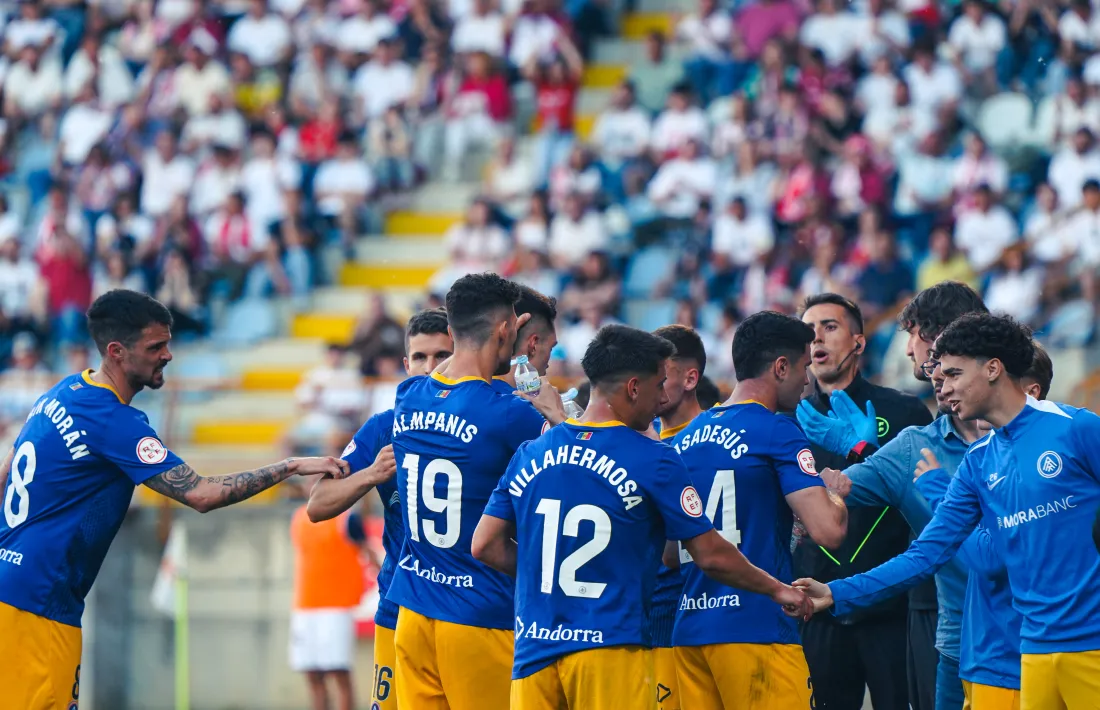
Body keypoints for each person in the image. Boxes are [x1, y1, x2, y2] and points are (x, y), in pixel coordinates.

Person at [0, 289, 350, 709]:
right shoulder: (114, 420)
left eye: (167, 343)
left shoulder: (62, 391)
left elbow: (6, 472)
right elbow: (202, 494)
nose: (167, 355)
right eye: (155, 347)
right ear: (116, 352)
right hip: (37, 602)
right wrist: (290, 466)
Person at [471, 324, 812, 710]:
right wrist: (778, 589)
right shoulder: (654, 458)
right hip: (610, 652)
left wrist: (549, 578)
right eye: (659, 385)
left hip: (532, 655)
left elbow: (484, 545)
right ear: (634, 387)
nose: (663, 397)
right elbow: (710, 555)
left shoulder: (530, 453)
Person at [796, 314, 1100, 710]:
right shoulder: (978, 462)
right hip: (1034, 653)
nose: (945, 387)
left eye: (955, 374)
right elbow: (925, 554)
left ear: (993, 368)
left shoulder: (1076, 428)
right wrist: (836, 592)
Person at [796, 281, 989, 710]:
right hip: (938, 623)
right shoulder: (915, 445)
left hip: (1015, 629)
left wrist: (937, 492)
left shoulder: (1034, 432)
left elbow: (988, 551)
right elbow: (923, 553)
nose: (909, 353)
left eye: (915, 336)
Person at [663, 311, 848, 709]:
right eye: (802, 367)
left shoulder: (681, 441)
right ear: (780, 367)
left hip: (690, 634)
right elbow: (828, 531)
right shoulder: (776, 430)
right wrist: (834, 494)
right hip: (758, 630)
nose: (806, 380)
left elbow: (670, 554)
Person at [387, 273, 551, 710]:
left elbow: (447, 376)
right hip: (479, 615)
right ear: (505, 329)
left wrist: (482, 337)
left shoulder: (408, 395)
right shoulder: (511, 414)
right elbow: (577, 462)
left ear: (452, 330)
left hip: (413, 611)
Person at [306, 307, 454, 710]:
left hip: (466, 610)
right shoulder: (384, 427)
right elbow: (318, 505)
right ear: (406, 365)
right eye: (420, 357)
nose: (430, 368)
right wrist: (370, 474)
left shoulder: (491, 423)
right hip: (398, 604)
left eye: (442, 355)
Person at [795, 293, 935, 710]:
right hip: (816, 607)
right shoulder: (786, 421)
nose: (817, 338)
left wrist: (863, 451)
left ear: (859, 341)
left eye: (830, 326)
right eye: (809, 331)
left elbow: (926, 501)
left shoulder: (906, 411)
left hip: (890, 608)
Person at [910, 344, 1051, 710]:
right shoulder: (983, 457)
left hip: (1011, 660)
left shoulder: (1039, 460)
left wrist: (939, 492)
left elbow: (988, 557)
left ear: (1029, 390)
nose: (951, 389)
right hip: (975, 652)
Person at [649, 324, 708, 710]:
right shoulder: (641, 438)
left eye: (662, 375)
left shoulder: (711, 439)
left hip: (685, 608)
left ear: (690, 378)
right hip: (643, 613)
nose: (652, 385)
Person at [289, 501, 371, 710]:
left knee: (339, 673)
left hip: (336, 608)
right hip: (305, 606)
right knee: (313, 676)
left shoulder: (347, 517)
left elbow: (367, 550)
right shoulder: (299, 516)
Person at [490, 285, 567, 426]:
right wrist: (558, 416)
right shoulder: (525, 413)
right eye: (551, 348)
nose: (548, 363)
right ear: (533, 344)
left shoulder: (464, 390)